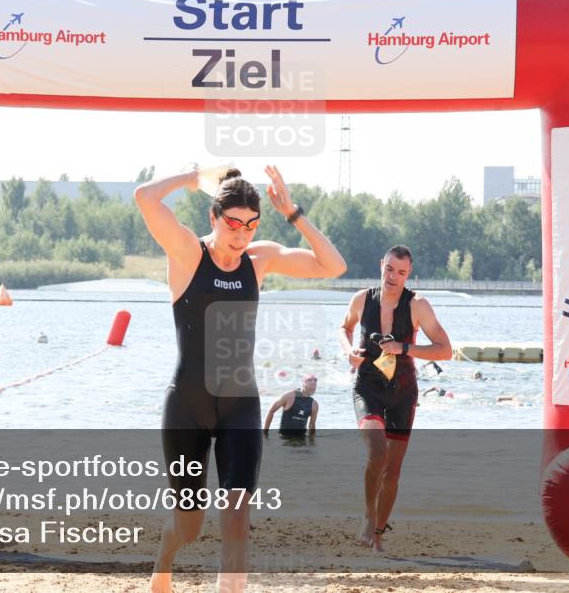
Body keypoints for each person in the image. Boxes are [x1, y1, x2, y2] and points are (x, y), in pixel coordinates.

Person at [135, 165, 346, 593]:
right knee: (189, 526)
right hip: (188, 408)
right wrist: (193, 177)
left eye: (251, 225)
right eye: (233, 223)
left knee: (236, 517)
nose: (242, 234)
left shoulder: (258, 260)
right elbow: (145, 197)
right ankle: (165, 558)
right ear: (213, 218)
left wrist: (294, 214)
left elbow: (333, 266)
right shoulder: (188, 254)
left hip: (240, 407)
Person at [337, 245, 452, 552]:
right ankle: (368, 516)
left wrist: (404, 348)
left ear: (408, 274)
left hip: (402, 392)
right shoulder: (362, 299)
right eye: (389, 269)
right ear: (381, 265)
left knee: (393, 471)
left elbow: (445, 350)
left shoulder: (418, 305)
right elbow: (344, 327)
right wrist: (349, 351)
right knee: (377, 452)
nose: (393, 277)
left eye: (401, 272)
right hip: (367, 388)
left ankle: (377, 533)